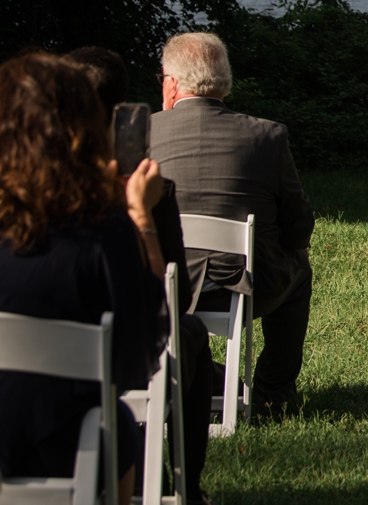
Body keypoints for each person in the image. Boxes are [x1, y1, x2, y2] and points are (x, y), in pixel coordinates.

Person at [0, 52, 167, 505]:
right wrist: (139, 216)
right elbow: (139, 361)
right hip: (68, 451)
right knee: (120, 426)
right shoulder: (101, 230)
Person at [66, 45, 216, 504]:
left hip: (34, 364)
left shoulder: (27, 198)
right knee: (190, 330)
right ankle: (185, 485)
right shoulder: (148, 195)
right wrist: (142, 215)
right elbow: (173, 296)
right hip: (121, 355)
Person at [149, 32, 315, 418]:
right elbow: (298, 225)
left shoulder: (140, 134)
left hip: (158, 287)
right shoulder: (267, 136)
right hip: (244, 283)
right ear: (224, 80)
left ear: (171, 83)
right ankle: (272, 392)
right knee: (299, 272)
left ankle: (210, 378)